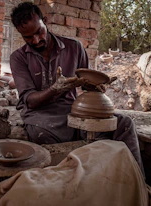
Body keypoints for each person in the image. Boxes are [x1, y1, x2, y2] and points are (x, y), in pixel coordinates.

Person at [10, 2, 144, 173]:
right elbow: (30, 101)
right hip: (40, 116)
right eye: (28, 37)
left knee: (124, 124)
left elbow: (88, 84)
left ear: (45, 21)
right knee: (42, 136)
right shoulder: (18, 58)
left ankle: (138, 181)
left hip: (71, 111)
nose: (36, 40)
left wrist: (97, 87)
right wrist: (55, 89)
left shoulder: (74, 47)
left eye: (38, 32)